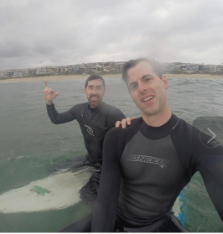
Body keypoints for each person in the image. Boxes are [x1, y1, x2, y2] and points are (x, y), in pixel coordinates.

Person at [91, 58, 223, 232]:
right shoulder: (118, 136)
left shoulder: (197, 143)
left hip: (158, 225)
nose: (142, 88)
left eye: (147, 79)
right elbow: (105, 201)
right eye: (133, 85)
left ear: (164, 81)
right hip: (114, 219)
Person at [43, 74, 126, 207]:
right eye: (91, 87)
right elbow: (57, 119)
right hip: (90, 159)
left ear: (104, 91)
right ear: (85, 90)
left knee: (87, 196)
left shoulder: (114, 114)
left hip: (107, 166)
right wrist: (49, 102)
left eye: (98, 88)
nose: (94, 92)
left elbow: (131, 142)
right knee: (53, 170)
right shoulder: (79, 110)